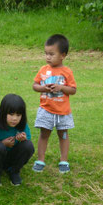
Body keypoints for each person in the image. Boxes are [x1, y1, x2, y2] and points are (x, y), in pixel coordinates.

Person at [32, 34, 77, 174]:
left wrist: (61, 88)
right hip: (46, 109)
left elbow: (73, 90)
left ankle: (63, 160)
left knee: (63, 134)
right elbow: (35, 85)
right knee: (44, 134)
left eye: (52, 54)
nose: (48, 57)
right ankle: (41, 159)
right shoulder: (43, 70)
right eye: (46, 54)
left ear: (63, 55)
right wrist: (43, 88)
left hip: (63, 111)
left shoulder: (67, 72)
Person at [0, 94, 34, 186]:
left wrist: (23, 140)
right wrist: (2, 143)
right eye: (11, 114)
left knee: (28, 145)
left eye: (18, 115)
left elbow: (27, 145)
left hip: (12, 158)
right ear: (3, 113)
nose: (14, 118)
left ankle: (14, 171)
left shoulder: (23, 127)